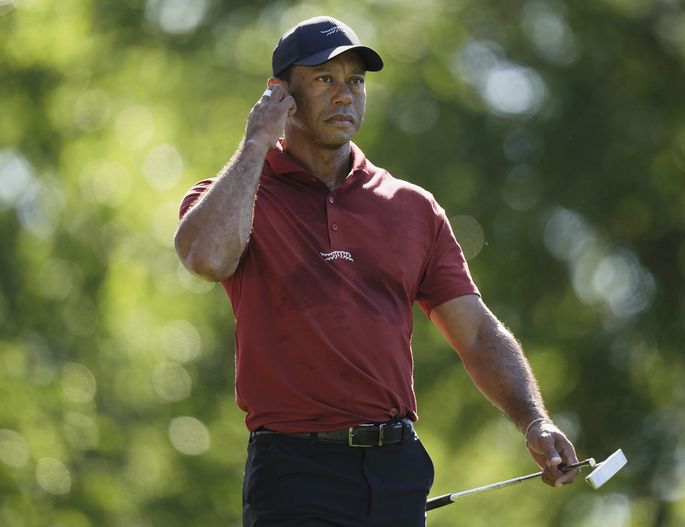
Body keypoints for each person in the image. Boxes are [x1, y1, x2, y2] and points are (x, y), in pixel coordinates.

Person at [174, 15, 579, 527]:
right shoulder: (235, 195)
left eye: (356, 81)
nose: (344, 95)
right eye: (325, 79)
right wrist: (257, 142)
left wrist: (534, 421)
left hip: (396, 468)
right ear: (280, 93)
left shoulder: (411, 208)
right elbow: (207, 258)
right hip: (295, 470)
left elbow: (476, 335)